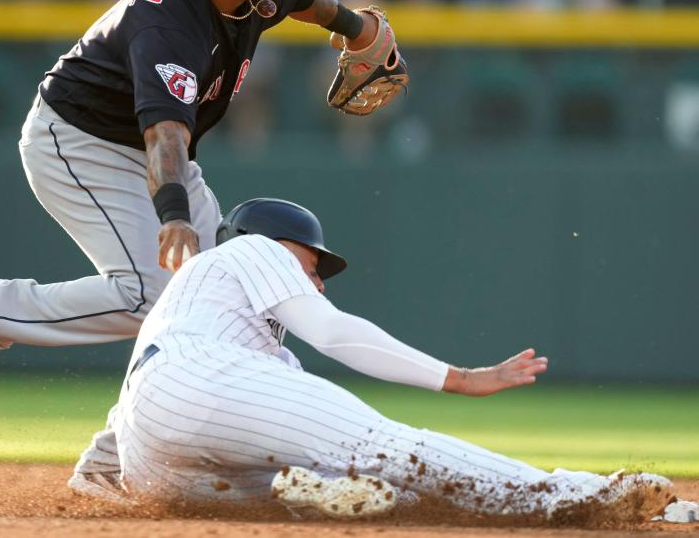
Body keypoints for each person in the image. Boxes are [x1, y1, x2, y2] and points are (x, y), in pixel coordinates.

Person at [0, 0, 399, 493]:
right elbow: (166, 141)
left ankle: (110, 460)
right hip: (79, 143)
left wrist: (355, 27)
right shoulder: (168, 25)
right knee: (152, 294)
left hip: (149, 151)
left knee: (235, 312)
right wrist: (175, 216)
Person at [111, 197, 682, 524]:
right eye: (311, 266)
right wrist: (458, 378)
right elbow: (332, 332)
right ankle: (569, 495)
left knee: (390, 493)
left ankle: (310, 491)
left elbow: (126, 424)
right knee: (385, 446)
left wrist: (98, 476)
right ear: (273, 245)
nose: (316, 282)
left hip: (154, 460)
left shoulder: (216, 328)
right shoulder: (249, 247)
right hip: (197, 387)